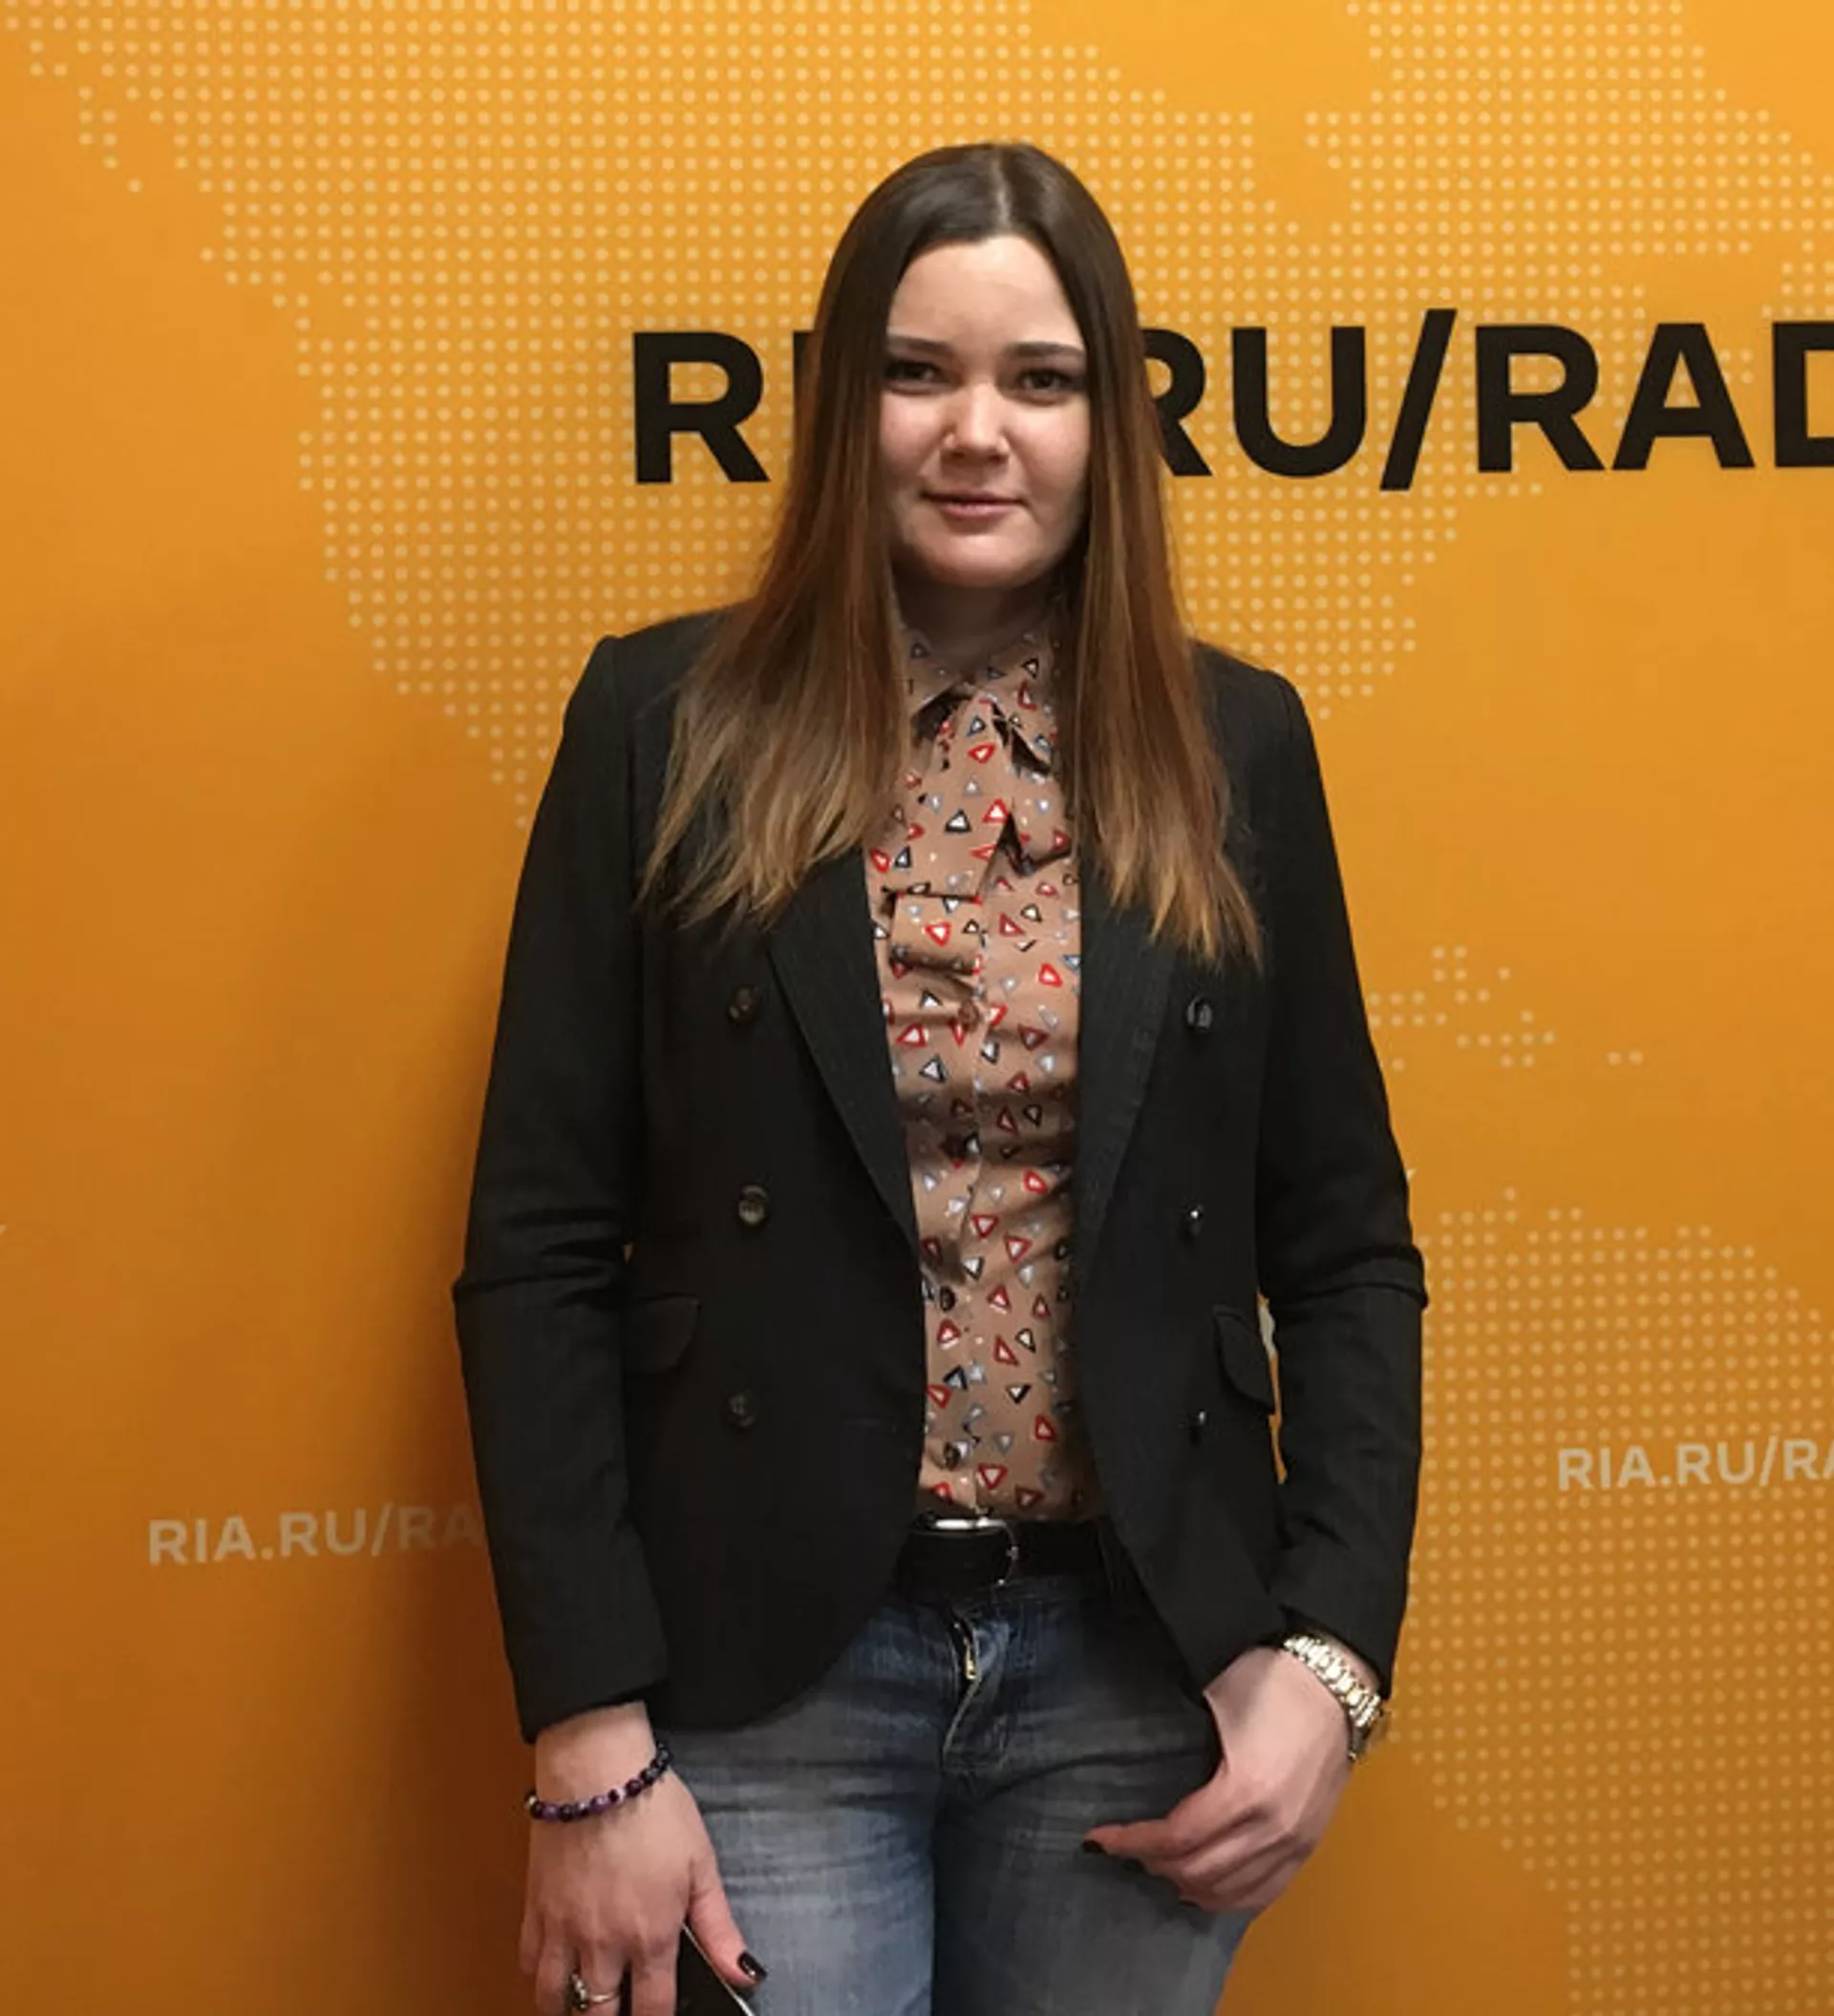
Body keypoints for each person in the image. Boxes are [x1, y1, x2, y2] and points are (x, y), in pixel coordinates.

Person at [453, 140, 1425, 2016]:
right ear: (845, 406)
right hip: (764, 1671)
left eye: (1039, 380)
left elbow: (1346, 1240)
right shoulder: (663, 726)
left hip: (1136, 1665)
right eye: (920, 372)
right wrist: (588, 1734)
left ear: (1108, 421)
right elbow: (540, 1251)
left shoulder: (1234, 745)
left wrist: (1332, 1656)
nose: (978, 432)